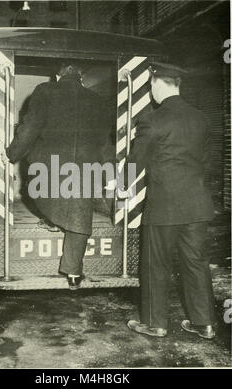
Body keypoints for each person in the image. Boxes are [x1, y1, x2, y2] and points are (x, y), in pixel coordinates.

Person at [1, 61, 112, 290]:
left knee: (46, 194)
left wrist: (12, 154)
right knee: (80, 216)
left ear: (57, 76)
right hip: (84, 170)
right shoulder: (95, 99)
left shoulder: (44, 90)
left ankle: (52, 219)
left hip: (49, 170)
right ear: (81, 77)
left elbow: (30, 128)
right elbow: (104, 140)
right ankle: (73, 273)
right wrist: (110, 169)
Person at [126, 62, 216, 339]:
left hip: (164, 206)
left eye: (151, 85)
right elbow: (207, 160)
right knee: (196, 262)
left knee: (156, 264)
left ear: (157, 84)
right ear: (177, 84)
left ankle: (156, 324)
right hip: (198, 204)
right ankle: (205, 324)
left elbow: (136, 158)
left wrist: (120, 184)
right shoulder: (200, 117)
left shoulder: (152, 119)